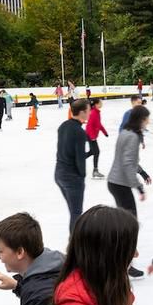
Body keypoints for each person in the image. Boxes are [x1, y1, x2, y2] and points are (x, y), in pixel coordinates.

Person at [108, 106, 152, 218]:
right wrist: (139, 187)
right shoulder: (133, 137)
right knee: (130, 221)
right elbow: (128, 164)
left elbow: (128, 161)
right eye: (147, 119)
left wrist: (143, 173)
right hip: (120, 183)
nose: (148, 122)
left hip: (115, 182)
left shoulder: (125, 132)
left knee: (124, 221)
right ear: (141, 120)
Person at [55, 99, 91, 233]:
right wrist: (82, 176)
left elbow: (67, 151)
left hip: (59, 174)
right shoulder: (79, 132)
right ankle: (74, 247)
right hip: (72, 177)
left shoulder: (63, 126)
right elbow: (79, 160)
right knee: (76, 213)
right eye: (88, 111)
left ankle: (75, 243)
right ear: (82, 112)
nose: (89, 113)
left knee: (73, 211)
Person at [85, 98, 109, 179]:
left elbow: (98, 124)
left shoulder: (97, 112)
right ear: (96, 104)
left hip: (92, 136)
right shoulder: (93, 113)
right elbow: (89, 126)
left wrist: (104, 132)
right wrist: (92, 137)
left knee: (93, 151)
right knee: (96, 152)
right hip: (90, 135)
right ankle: (95, 171)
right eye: (100, 102)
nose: (102, 103)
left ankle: (78, 159)